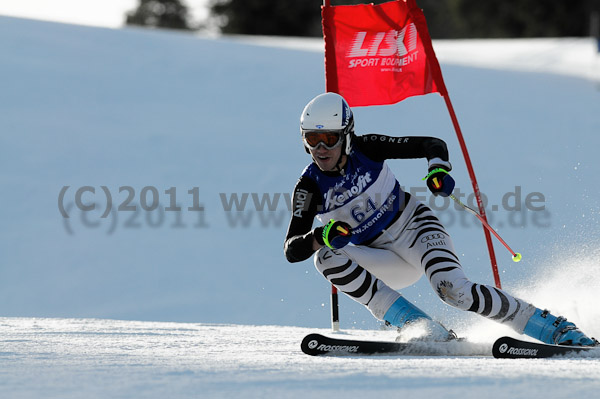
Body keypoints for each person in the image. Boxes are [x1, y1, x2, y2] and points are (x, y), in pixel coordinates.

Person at [284, 92, 597, 346]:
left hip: (415, 229)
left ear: (347, 136)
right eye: (312, 139)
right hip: (380, 257)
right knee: (324, 257)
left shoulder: (368, 148)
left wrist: (437, 168)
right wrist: (321, 236)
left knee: (454, 291)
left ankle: (553, 328)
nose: (321, 149)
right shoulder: (309, 186)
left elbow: (431, 144)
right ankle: (417, 324)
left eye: (329, 138)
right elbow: (291, 249)